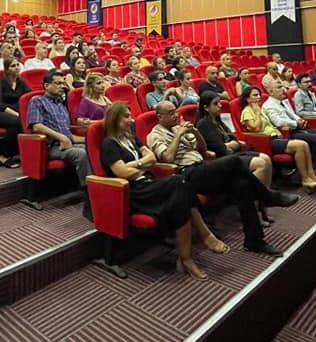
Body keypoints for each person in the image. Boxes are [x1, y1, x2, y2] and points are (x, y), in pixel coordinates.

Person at [147, 100, 297, 256]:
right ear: (160, 116)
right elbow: (168, 158)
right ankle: (268, 196)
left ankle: (254, 240)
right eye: (171, 113)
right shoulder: (155, 135)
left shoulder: (179, 127)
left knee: (243, 185)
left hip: (203, 167)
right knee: (235, 161)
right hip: (186, 174)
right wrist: (178, 136)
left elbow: (203, 149)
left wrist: (195, 132)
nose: (176, 115)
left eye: (175, 111)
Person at [101, 103, 227, 280]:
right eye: (126, 116)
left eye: (131, 115)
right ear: (115, 119)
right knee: (178, 181)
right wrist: (142, 165)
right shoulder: (109, 144)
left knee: (180, 198)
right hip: (134, 192)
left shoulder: (131, 138)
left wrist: (137, 165)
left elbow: (152, 158)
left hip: (148, 183)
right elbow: (122, 172)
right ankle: (204, 236)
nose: (132, 120)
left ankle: (186, 258)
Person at [239, 88, 316, 193]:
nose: (259, 97)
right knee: (300, 145)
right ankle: (306, 180)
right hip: (265, 141)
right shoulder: (247, 111)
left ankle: (312, 176)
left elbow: (269, 125)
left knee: (304, 144)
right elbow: (255, 128)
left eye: (259, 94)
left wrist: (277, 131)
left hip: (274, 137)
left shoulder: (258, 108)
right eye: (255, 95)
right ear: (247, 99)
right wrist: (257, 113)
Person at [196, 92, 275, 209]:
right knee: (261, 164)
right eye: (216, 104)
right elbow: (220, 148)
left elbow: (233, 137)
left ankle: (263, 200)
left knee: (266, 158)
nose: (220, 105)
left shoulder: (217, 119)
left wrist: (233, 144)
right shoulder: (203, 124)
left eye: (219, 102)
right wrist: (232, 144)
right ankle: (252, 206)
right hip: (222, 160)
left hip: (233, 153)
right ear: (206, 108)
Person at [262, 85, 316, 185]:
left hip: (299, 128)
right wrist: (295, 123)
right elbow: (278, 122)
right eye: (278, 87)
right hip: (289, 133)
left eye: (282, 87)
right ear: (270, 92)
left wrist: (299, 120)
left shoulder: (284, 101)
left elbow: (293, 114)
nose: (283, 90)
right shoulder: (269, 105)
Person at [27, 70, 90, 190]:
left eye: (63, 84)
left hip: (68, 143)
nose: (62, 86)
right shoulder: (37, 101)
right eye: (58, 83)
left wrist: (89, 139)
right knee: (82, 154)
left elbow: (68, 134)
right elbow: (36, 126)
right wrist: (60, 137)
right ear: (46, 85)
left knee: (93, 148)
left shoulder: (61, 105)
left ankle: (101, 184)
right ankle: (88, 191)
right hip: (52, 146)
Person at [0, 57, 28, 167]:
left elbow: (29, 97)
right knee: (18, 121)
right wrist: (17, 113)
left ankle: (21, 153)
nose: (17, 68)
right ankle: (4, 156)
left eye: (17, 65)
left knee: (21, 122)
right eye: (13, 66)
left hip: (18, 114)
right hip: (0, 114)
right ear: (7, 70)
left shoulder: (21, 82)